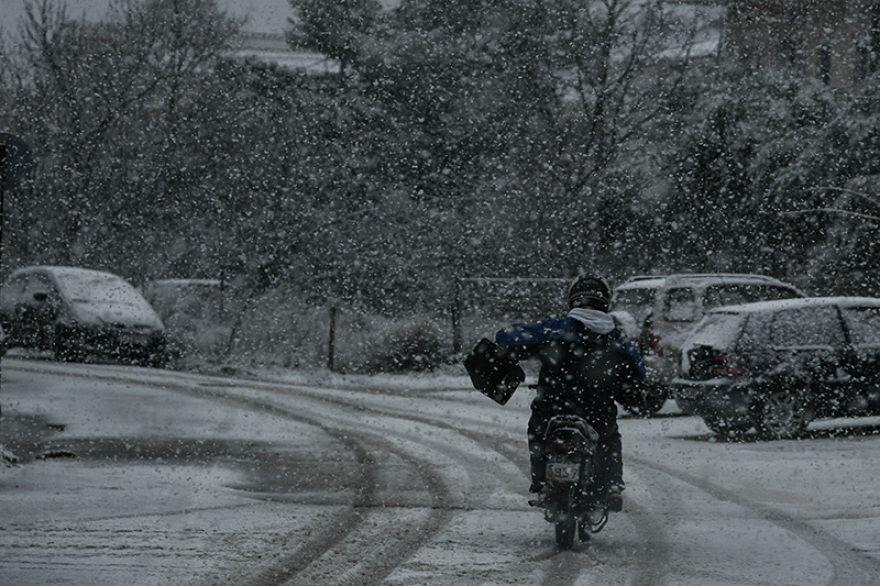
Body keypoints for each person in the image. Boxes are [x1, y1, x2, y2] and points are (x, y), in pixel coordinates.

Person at [494, 275, 646, 511]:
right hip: (596, 413)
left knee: (538, 433)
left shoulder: (553, 329)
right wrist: (630, 391)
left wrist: (508, 355)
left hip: (552, 410)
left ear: (572, 299)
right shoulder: (616, 337)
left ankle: (542, 482)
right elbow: (638, 373)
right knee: (608, 439)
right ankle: (612, 485)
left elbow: (507, 337)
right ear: (605, 302)